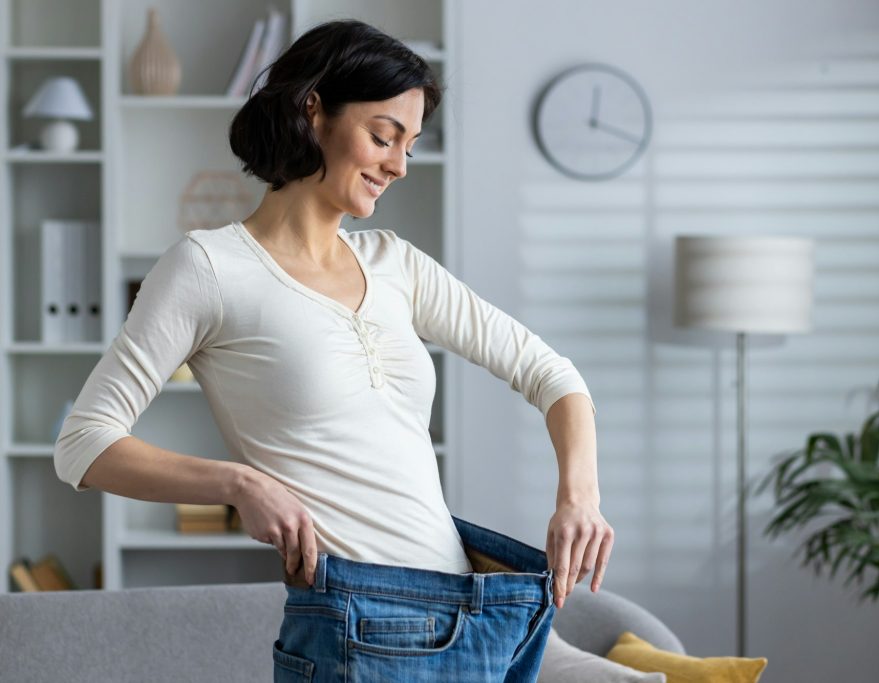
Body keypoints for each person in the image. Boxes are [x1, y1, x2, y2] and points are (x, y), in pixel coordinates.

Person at [53, 18, 612, 682]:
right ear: (313, 110)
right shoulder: (209, 267)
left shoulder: (396, 265)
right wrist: (241, 484)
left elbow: (552, 374)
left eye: (410, 145)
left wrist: (580, 496)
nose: (399, 165)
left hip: (478, 617)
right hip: (355, 626)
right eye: (383, 136)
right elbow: (83, 441)